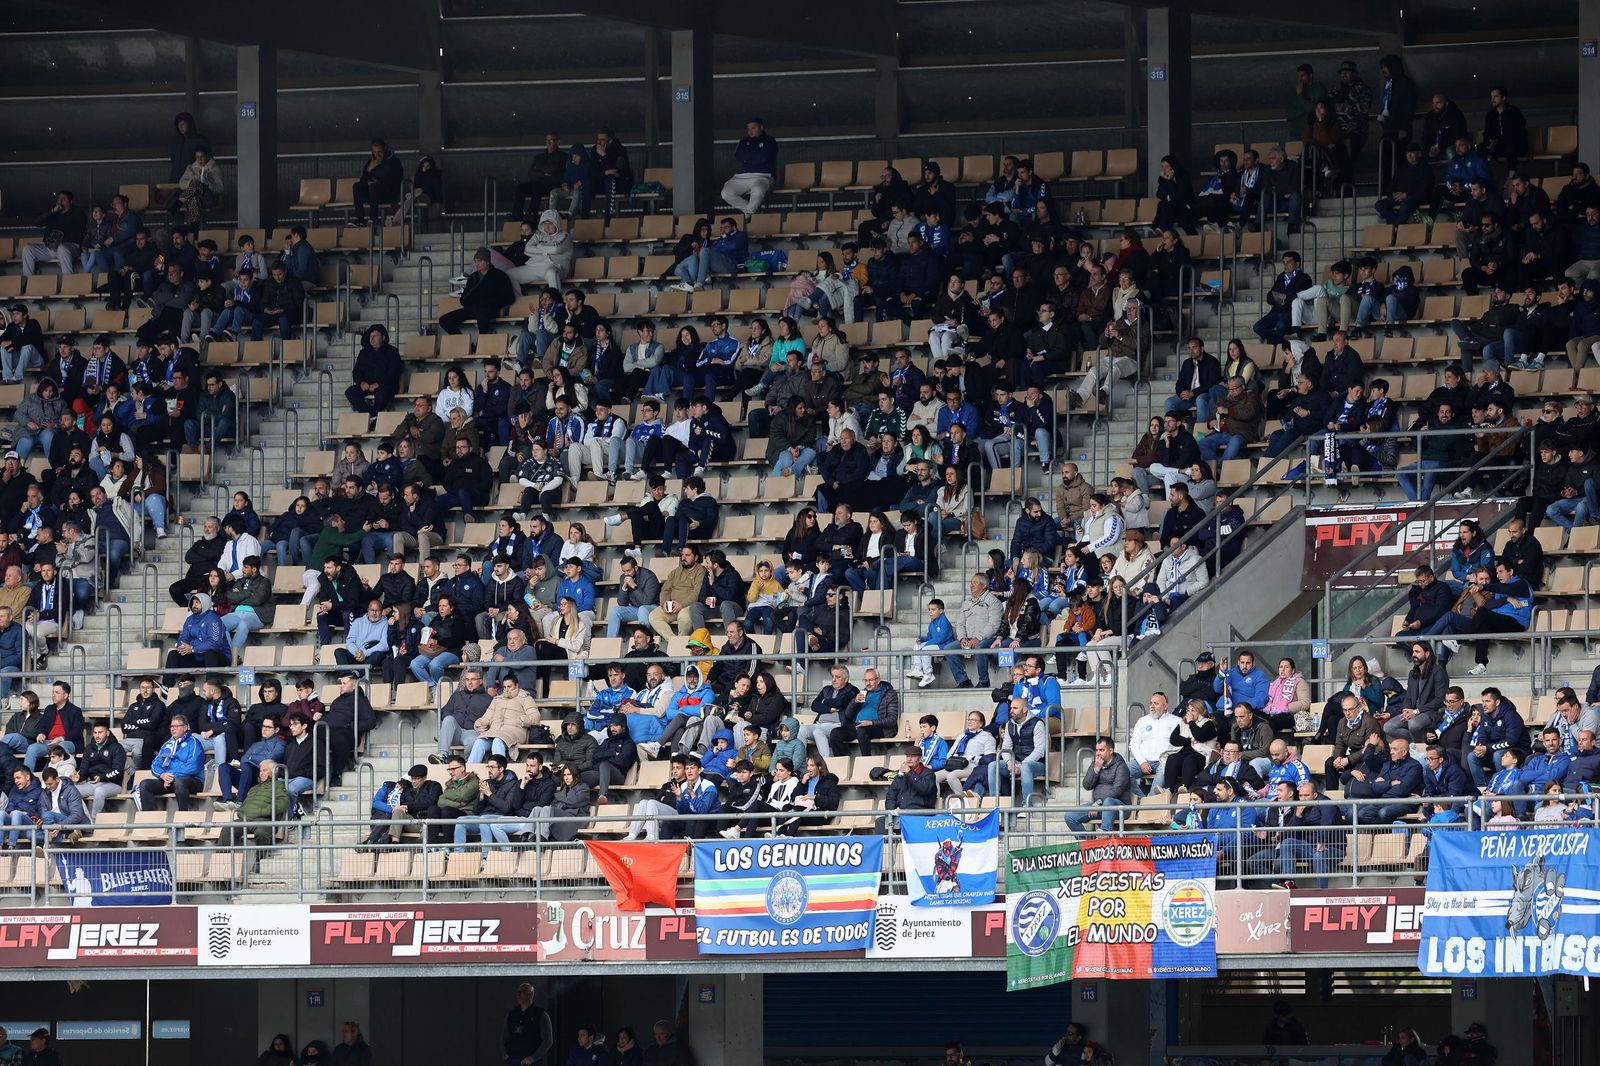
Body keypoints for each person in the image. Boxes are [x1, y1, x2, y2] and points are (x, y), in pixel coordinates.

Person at [1065, 735, 1132, 833]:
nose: (1098, 753)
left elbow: (1116, 791)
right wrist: (1096, 769)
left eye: (1101, 750)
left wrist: (1098, 803)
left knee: (1109, 801)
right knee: (1070, 816)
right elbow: (1087, 785)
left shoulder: (1121, 767)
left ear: (1110, 750)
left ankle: (1104, 833)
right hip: (1097, 806)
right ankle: (1088, 844)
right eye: (1097, 750)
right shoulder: (1096, 764)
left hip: (1119, 808)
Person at [721, 118, 779, 215]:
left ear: (761, 127)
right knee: (726, 193)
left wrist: (748, 157)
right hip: (742, 176)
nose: (750, 131)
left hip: (764, 175)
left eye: (753, 128)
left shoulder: (770, 140)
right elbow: (738, 156)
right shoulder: (744, 140)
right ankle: (752, 211)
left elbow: (764, 157)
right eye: (748, 128)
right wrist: (756, 155)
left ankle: (750, 213)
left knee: (758, 189)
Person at [504, 983, 554, 1066]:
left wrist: (533, 1058)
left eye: (522, 992)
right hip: (513, 1061)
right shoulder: (512, 1015)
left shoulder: (540, 1014)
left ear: (530, 994)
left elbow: (548, 1040)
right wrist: (505, 1054)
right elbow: (504, 1037)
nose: (518, 994)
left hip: (532, 1063)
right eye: (518, 992)